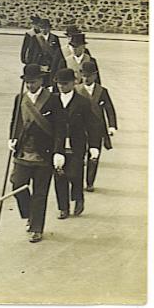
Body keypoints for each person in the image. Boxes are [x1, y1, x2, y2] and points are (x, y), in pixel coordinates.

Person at [7, 64, 66, 243]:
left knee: (40, 193)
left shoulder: (53, 99)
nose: (30, 85)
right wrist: (12, 138)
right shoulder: (20, 98)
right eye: (27, 82)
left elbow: (60, 128)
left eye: (33, 82)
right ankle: (30, 215)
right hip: (23, 152)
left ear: (41, 80)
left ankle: (36, 228)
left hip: (44, 154)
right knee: (17, 185)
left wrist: (58, 151)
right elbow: (15, 120)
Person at [52, 68, 102, 219]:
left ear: (73, 83)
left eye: (65, 83)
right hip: (57, 145)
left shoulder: (83, 102)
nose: (61, 86)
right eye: (59, 84)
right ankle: (63, 207)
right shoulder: (52, 100)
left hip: (77, 144)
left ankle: (78, 199)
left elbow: (92, 125)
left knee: (74, 174)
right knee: (59, 175)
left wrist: (94, 146)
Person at [75, 61, 117, 192]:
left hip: (96, 129)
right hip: (79, 128)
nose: (86, 78)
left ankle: (90, 182)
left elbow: (109, 109)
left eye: (89, 75)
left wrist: (111, 126)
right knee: (78, 156)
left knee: (94, 155)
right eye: (84, 75)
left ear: (95, 76)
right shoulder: (76, 90)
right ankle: (78, 181)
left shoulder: (102, 91)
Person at [26, 19, 65, 89]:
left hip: (50, 65)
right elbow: (31, 53)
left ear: (49, 28)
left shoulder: (54, 38)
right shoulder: (35, 38)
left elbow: (58, 53)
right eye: (41, 28)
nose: (43, 29)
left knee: (49, 84)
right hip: (38, 64)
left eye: (45, 27)